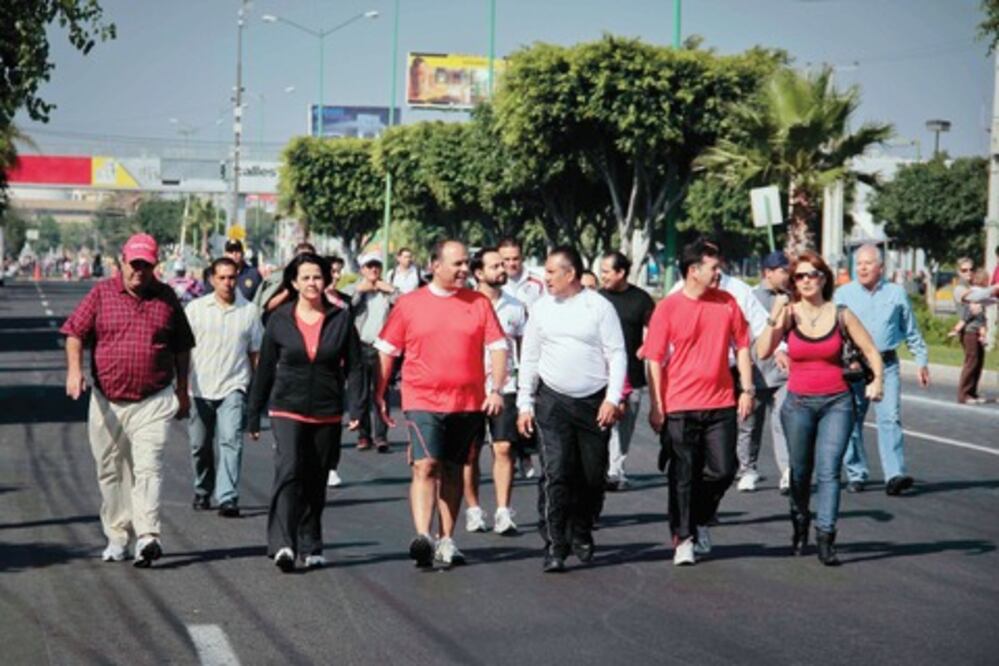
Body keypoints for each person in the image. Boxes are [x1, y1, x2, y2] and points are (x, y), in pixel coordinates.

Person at [61, 233, 195, 567]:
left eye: (145, 266)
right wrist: (74, 371)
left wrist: (182, 388)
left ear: (154, 267)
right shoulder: (101, 293)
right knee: (111, 470)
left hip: (153, 398)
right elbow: (75, 333)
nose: (138, 271)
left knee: (148, 466)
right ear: (121, 261)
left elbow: (182, 346)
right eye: (133, 264)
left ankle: (148, 536)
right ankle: (118, 535)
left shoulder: (167, 299)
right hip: (107, 400)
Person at [373, 240, 507, 569]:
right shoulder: (409, 304)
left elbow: (499, 346)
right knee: (425, 465)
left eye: (466, 264)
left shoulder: (479, 303)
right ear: (436, 265)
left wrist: (496, 389)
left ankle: (446, 538)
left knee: (452, 469)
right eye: (458, 264)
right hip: (422, 398)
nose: (465, 270)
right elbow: (387, 350)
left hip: (468, 401)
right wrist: (379, 393)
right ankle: (423, 536)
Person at [757, 251, 884, 566]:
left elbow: (871, 350)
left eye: (812, 274)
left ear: (824, 278)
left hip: (836, 403)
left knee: (829, 471)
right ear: (794, 282)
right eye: (799, 276)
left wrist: (877, 380)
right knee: (800, 473)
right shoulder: (788, 313)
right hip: (797, 403)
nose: (806, 281)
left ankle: (826, 536)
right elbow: (762, 351)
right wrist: (775, 315)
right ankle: (800, 518)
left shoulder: (841, 313)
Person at [247, 253, 363, 572]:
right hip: (287, 407)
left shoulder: (340, 319)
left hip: (326, 410)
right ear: (294, 283)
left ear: (326, 281)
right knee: (289, 470)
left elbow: (355, 368)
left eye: (317, 277)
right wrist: (253, 412)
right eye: (306, 277)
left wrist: (357, 409)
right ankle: (283, 544)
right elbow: (265, 368)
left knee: (315, 478)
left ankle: (310, 542)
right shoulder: (279, 320)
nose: (312, 283)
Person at [643, 239, 754, 566]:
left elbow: (743, 346)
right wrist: (656, 404)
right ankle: (684, 537)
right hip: (679, 404)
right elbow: (654, 359)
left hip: (721, 402)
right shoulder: (668, 307)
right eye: (713, 268)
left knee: (723, 470)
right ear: (694, 271)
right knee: (683, 473)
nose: (719, 273)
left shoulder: (727, 303)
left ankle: (701, 518)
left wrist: (746, 389)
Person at [517, 246, 627, 573]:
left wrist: (612, 398)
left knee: (592, 476)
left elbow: (617, 354)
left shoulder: (599, 307)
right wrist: (525, 402)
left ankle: (581, 527)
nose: (546, 278)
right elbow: (530, 358)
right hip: (552, 401)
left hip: (594, 403)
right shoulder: (541, 309)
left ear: (571, 274)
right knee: (557, 471)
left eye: (552, 272)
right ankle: (555, 545)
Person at [834, 244, 929, 496]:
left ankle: (894, 474)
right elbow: (833, 333)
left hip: (886, 366)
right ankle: (856, 473)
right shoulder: (843, 294)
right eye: (859, 263)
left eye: (868, 263)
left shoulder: (896, 294)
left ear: (881, 267)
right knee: (850, 421)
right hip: (855, 367)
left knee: (889, 419)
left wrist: (921, 360)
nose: (862, 268)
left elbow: (911, 330)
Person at [184, 257, 264, 517]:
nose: (228, 283)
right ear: (211, 279)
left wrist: (257, 392)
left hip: (234, 386)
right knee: (200, 445)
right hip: (199, 387)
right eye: (222, 278)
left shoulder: (249, 311)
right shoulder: (195, 309)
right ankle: (203, 488)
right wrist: (180, 385)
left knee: (231, 441)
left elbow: (255, 354)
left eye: (232, 277)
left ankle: (227, 496)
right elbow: (183, 351)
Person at [464, 248, 527, 535]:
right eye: (495, 266)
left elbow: (526, 348)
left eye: (504, 264)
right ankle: (474, 509)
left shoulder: (516, 305)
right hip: (469, 386)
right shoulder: (464, 304)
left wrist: (527, 387)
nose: (503, 269)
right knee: (470, 452)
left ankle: (503, 511)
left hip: (506, 387)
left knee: (503, 447)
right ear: (478, 273)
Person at [597, 251, 655, 491]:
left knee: (624, 429)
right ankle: (600, 470)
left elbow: (657, 332)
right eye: (601, 271)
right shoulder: (598, 299)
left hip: (634, 376)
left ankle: (616, 470)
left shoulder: (641, 300)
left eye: (606, 272)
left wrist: (647, 347)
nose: (603, 277)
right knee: (601, 426)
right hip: (601, 376)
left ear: (621, 273)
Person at [737, 251, 792, 494]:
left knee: (783, 419)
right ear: (767, 272)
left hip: (784, 374)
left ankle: (787, 471)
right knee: (749, 424)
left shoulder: (792, 297)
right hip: (756, 371)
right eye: (782, 270)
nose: (787, 275)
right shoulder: (750, 297)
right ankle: (747, 470)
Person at [346, 253, 397, 453]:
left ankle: (381, 436)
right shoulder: (355, 289)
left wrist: (390, 289)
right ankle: (363, 435)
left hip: (382, 347)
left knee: (381, 392)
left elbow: (404, 302)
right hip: (360, 345)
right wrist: (360, 290)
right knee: (360, 394)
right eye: (369, 267)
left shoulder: (387, 289)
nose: (373, 270)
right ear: (362, 270)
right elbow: (344, 304)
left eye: (376, 266)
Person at [952, 259, 987, 404]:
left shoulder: (973, 287)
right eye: (964, 270)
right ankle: (963, 394)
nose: (968, 273)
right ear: (959, 272)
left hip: (977, 329)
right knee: (971, 361)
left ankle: (972, 392)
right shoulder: (959, 288)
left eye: (971, 269)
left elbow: (981, 307)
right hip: (968, 330)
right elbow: (969, 299)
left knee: (979, 362)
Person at [254, 241, 316, 314]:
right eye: (301, 258)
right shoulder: (283, 277)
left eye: (309, 258)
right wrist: (288, 291)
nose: (305, 262)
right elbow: (267, 307)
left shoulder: (318, 279)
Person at [498, 237, 545, 308]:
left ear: (522, 257)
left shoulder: (539, 283)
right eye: (506, 259)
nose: (511, 264)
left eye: (515, 259)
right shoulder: (492, 285)